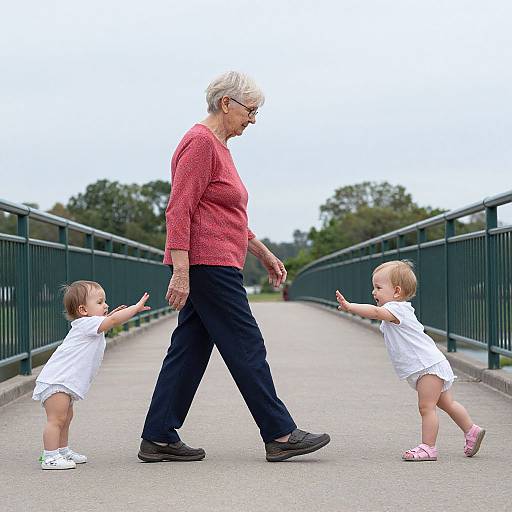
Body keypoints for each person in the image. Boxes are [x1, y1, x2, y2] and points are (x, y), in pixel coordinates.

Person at [139, 71, 330, 463]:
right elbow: (179, 209)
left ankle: (158, 434)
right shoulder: (200, 143)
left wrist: (261, 250)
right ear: (227, 103)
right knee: (246, 345)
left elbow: (225, 214)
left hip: (219, 260)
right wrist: (180, 270)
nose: (253, 120)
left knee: (189, 350)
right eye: (251, 110)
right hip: (207, 265)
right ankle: (279, 434)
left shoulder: (220, 147)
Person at [335, 260, 485, 462]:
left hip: (427, 367)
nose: (373, 292)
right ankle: (471, 430)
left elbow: (376, 312)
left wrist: (350, 306)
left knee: (426, 407)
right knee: (446, 403)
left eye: (378, 288)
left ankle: (428, 448)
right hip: (431, 363)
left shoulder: (397, 310)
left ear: (396, 292)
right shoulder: (399, 310)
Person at [33, 281, 150, 470]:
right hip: (57, 381)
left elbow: (109, 321)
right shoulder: (85, 324)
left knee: (66, 417)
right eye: (100, 302)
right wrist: (134, 309)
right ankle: (50, 456)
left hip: (64, 382)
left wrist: (112, 316)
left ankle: (62, 450)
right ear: (83, 309)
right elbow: (111, 322)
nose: (106, 305)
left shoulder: (87, 324)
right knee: (56, 420)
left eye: (105, 302)